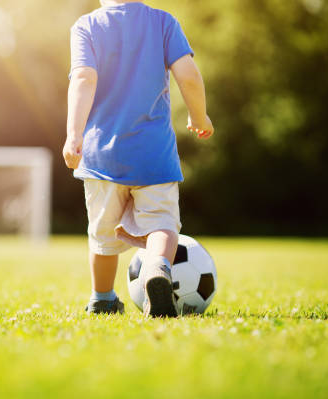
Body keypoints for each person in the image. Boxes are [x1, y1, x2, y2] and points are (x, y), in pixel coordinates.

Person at [63, 0, 214, 316]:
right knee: (161, 224)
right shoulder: (163, 23)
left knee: (102, 236)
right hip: (153, 155)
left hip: (102, 157)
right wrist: (199, 117)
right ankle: (158, 268)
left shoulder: (86, 26)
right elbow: (188, 75)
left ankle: (102, 298)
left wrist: (73, 135)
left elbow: (83, 79)